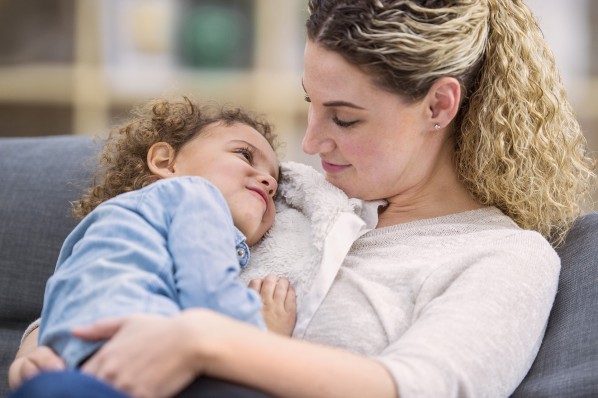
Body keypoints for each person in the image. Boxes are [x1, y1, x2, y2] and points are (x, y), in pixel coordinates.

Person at [8, 0, 596, 397]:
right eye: (310, 103)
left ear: (439, 106)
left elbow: (415, 385)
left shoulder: (503, 258)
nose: (311, 142)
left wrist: (206, 341)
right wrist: (39, 346)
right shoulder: (278, 188)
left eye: (344, 118)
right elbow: (123, 259)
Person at [34, 96, 297, 370]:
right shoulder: (195, 194)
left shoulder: (107, 227)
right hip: (128, 350)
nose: (268, 182)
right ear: (166, 163)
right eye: (245, 154)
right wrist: (266, 336)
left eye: (275, 185)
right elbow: (209, 298)